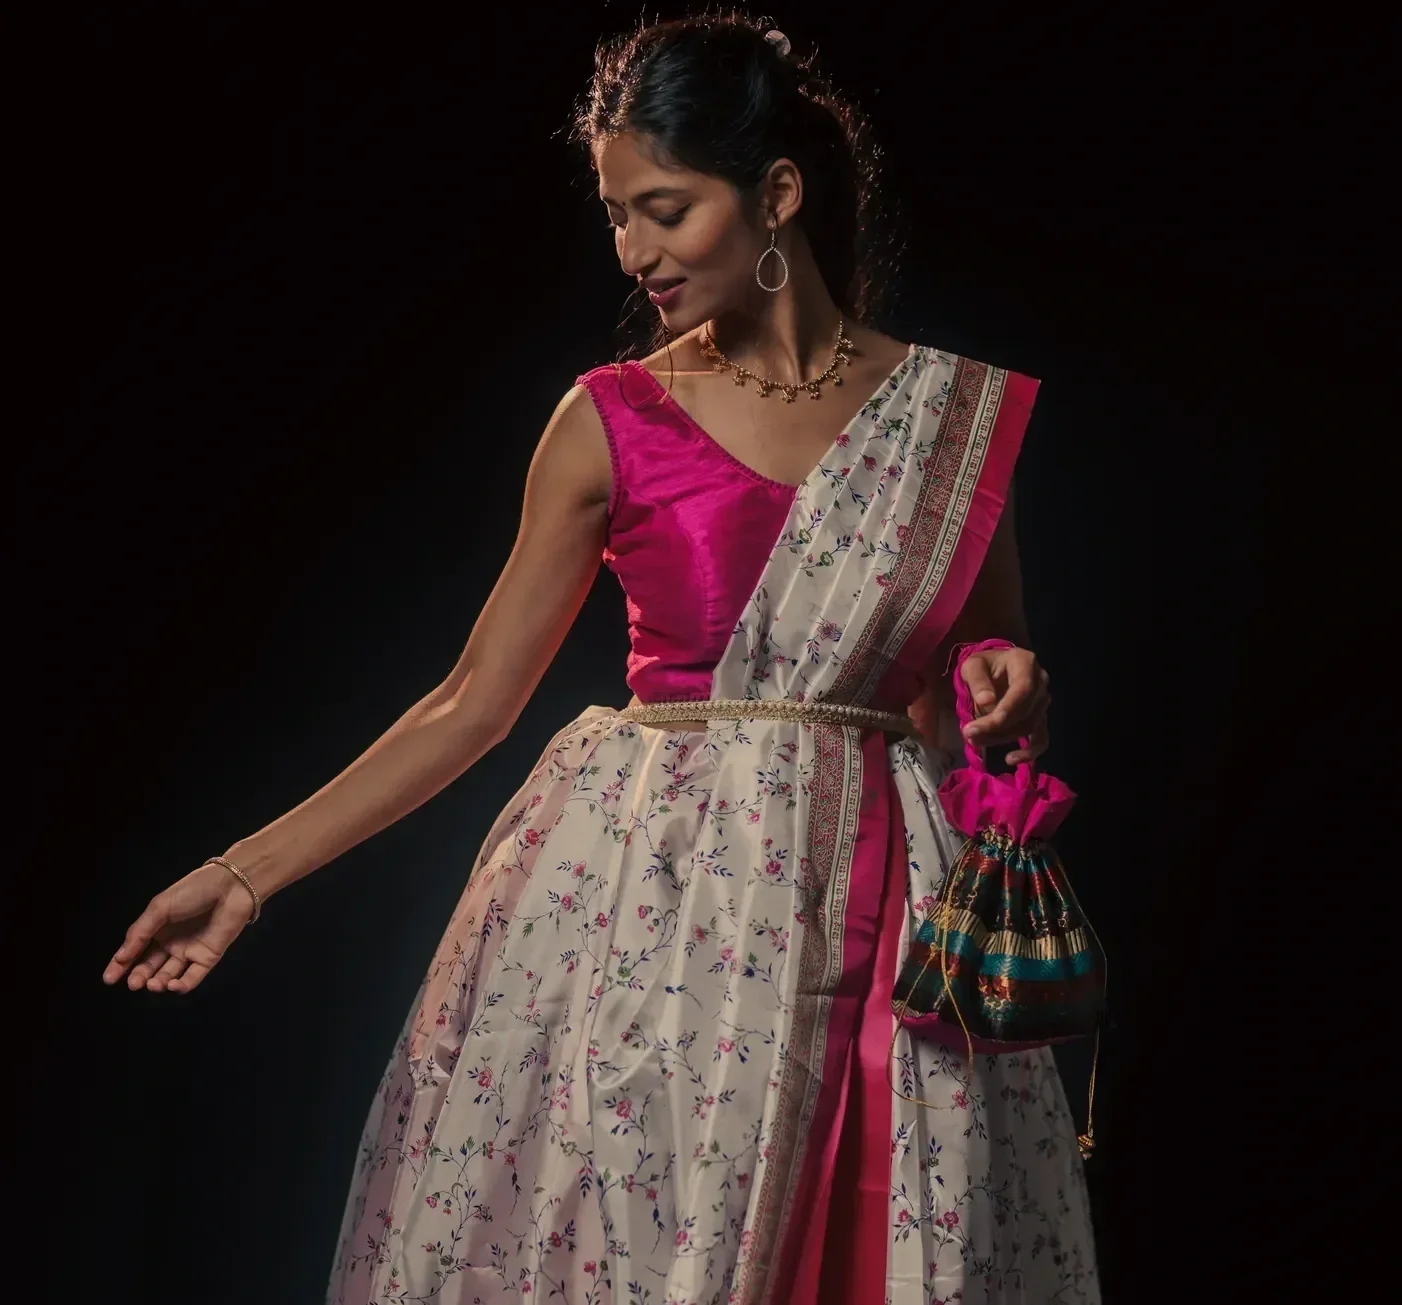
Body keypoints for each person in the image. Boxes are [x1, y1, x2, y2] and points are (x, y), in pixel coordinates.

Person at [102, 14, 1098, 1304]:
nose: (632, 252)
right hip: (660, 913)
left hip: (887, 907)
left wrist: (1008, 690)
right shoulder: (613, 416)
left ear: (776, 195)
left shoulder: (956, 419)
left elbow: (963, 692)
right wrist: (246, 875)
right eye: (617, 215)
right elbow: (470, 701)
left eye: (663, 210)